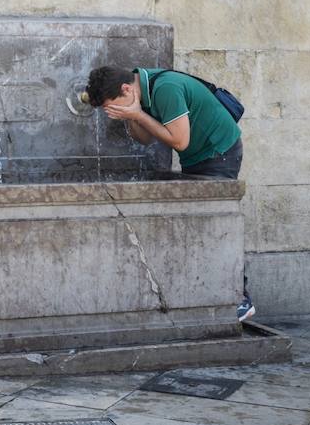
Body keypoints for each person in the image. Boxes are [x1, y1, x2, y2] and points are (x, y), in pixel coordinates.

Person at [85, 66, 255, 322]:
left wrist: (136, 113)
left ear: (126, 89)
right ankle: (219, 296)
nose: (115, 112)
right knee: (201, 227)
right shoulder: (140, 91)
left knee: (215, 225)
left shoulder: (166, 88)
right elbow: (144, 139)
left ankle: (241, 299)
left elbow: (179, 141)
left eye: (114, 106)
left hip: (219, 153)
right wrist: (132, 115)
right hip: (197, 157)